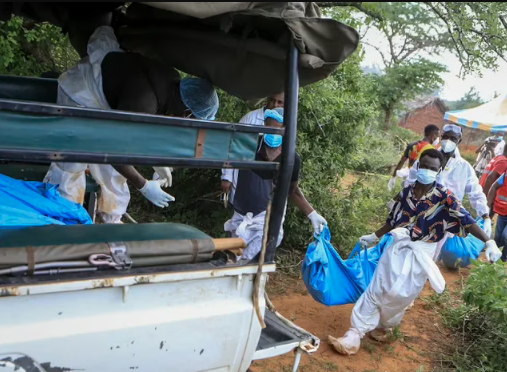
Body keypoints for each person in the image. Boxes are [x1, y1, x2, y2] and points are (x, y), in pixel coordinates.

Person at [328, 149, 501, 355]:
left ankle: (385, 325)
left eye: (433, 168)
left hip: (422, 252)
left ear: (438, 172)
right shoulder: (406, 191)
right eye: (425, 166)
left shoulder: (445, 197)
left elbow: (466, 220)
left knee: (400, 294)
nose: (428, 171)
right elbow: (392, 220)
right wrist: (375, 236)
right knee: (377, 287)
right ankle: (354, 334)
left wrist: (488, 241)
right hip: (398, 245)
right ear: (418, 166)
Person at [44, 26, 219, 223]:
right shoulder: (143, 101)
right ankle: (60, 218)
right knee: (72, 162)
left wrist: (157, 158)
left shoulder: (173, 85)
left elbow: (145, 129)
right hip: (80, 93)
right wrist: (143, 185)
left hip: (109, 100)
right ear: (187, 114)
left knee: (113, 173)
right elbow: (112, 148)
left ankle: (112, 220)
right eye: (193, 121)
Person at [223, 108, 327, 260]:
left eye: (277, 130)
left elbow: (293, 190)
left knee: (258, 258)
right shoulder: (250, 147)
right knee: (233, 256)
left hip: (267, 214)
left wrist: (312, 214)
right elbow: (227, 154)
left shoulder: (291, 159)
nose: (272, 134)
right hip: (242, 211)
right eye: (268, 128)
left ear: (286, 130)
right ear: (263, 126)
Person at [406, 125, 492, 260]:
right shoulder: (427, 159)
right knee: (410, 249)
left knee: (430, 255)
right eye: (445, 137)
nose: (448, 141)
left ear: (459, 140)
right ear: (441, 137)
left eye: (453, 138)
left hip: (444, 220)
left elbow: (476, 193)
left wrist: (485, 215)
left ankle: (421, 276)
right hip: (419, 213)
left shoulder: (464, 168)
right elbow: (410, 183)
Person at [221, 93, 285, 204]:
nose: (275, 104)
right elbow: (232, 146)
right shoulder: (250, 118)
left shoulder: (286, 123)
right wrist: (227, 177)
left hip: (268, 183)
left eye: (280, 102)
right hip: (244, 176)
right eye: (272, 100)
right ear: (266, 99)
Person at [388, 124, 439, 191]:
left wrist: (393, 177)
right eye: (437, 136)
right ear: (433, 135)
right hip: (419, 180)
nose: (438, 139)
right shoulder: (431, 149)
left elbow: (402, 161)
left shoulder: (412, 144)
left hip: (406, 178)